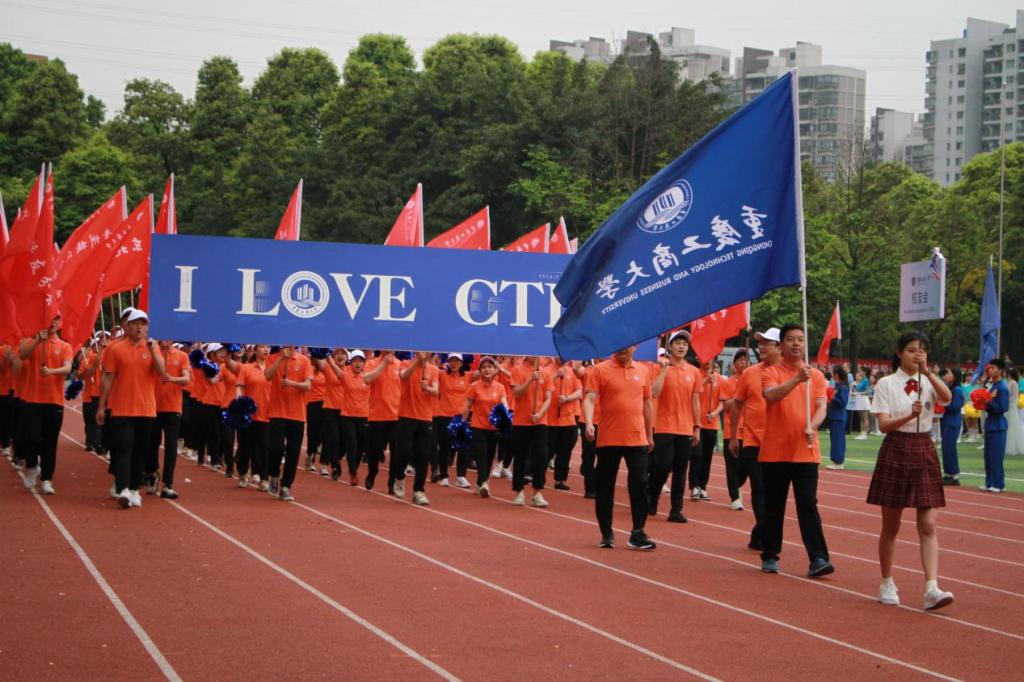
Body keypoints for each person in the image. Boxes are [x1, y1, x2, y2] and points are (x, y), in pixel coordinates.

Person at [868, 331, 955, 610]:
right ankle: (887, 581)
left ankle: (932, 587)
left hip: (924, 447)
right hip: (896, 447)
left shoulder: (928, 381)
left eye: (923, 350)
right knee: (891, 526)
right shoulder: (886, 384)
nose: (918, 354)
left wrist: (928, 373)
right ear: (899, 353)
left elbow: (947, 398)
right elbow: (884, 425)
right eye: (912, 350)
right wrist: (909, 415)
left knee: (928, 524)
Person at [759, 323, 831, 577]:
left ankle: (819, 557)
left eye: (800, 339)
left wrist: (813, 424)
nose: (796, 344)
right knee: (774, 505)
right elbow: (771, 396)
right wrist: (796, 379)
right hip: (775, 451)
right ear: (781, 345)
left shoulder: (816, 376)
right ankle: (770, 554)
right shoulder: (771, 372)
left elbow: (822, 406)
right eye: (791, 339)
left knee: (808, 504)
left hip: (806, 450)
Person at [582, 344, 656, 551]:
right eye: (619, 343)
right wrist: (589, 423)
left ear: (635, 346)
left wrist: (650, 434)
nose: (623, 348)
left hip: (637, 437)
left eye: (627, 344)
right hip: (609, 437)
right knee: (605, 486)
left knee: (640, 482)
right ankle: (607, 533)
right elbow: (589, 399)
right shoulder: (600, 370)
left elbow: (647, 403)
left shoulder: (643, 370)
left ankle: (638, 532)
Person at [96, 309, 167, 508]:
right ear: (127, 326)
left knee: (140, 452)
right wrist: (101, 406)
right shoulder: (115, 348)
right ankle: (123, 488)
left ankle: (135, 489)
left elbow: (162, 372)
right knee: (123, 448)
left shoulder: (153, 348)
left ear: (147, 328)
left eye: (143, 324)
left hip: (146, 409)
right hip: (121, 408)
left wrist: (152, 350)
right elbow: (108, 378)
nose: (139, 328)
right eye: (135, 323)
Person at [730, 331, 780, 551]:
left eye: (767, 343)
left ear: (780, 347)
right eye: (760, 343)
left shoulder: (788, 374)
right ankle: (764, 529)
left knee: (773, 492)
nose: (761, 346)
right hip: (752, 440)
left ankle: (760, 532)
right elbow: (737, 405)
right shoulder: (749, 373)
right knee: (759, 487)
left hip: (778, 443)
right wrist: (733, 437)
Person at [647, 330, 702, 522]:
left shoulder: (694, 372)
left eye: (685, 344)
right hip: (663, 426)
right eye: (677, 343)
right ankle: (652, 496)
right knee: (662, 466)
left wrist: (697, 426)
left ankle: (676, 510)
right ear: (670, 346)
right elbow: (654, 393)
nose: (681, 347)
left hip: (685, 427)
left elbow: (695, 400)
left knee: (680, 470)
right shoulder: (659, 366)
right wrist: (664, 371)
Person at [18, 316, 73, 494]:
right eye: (49, 319)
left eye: (56, 319)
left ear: (60, 323)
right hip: (32, 398)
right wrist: (37, 341)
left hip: (54, 401)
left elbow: (67, 368)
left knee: (50, 442)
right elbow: (22, 355)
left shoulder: (64, 346)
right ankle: (32, 466)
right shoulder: (31, 341)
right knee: (31, 436)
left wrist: (51, 371)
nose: (52, 322)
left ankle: (47, 479)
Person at [265, 345, 313, 501]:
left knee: (293, 452)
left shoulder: (304, 360)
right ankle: (273, 474)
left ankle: (286, 486)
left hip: (297, 414)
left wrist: (292, 384)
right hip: (277, 411)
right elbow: (267, 376)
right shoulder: (273, 358)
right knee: (276, 448)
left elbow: (308, 385)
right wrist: (281, 358)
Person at [393, 351, 439, 505]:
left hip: (425, 417)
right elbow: (403, 377)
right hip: (406, 415)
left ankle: (419, 491)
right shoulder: (405, 364)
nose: (424, 353)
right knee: (404, 452)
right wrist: (416, 362)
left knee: (423, 455)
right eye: (421, 351)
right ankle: (399, 478)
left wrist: (428, 388)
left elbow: (436, 391)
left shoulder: (433, 369)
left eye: (427, 351)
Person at [147, 340, 190, 498]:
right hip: (153, 406)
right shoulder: (152, 352)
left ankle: (168, 484)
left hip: (173, 408)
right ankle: (152, 473)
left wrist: (171, 378)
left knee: (171, 446)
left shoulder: (182, 356)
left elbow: (186, 379)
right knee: (152, 443)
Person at [509, 356, 553, 507]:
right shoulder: (517, 370)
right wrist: (529, 380)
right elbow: (517, 393)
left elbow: (548, 398)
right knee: (520, 457)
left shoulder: (546, 373)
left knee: (541, 456)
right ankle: (519, 491)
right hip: (521, 422)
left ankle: (537, 491)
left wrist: (540, 414)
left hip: (540, 422)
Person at [462, 356, 508, 497]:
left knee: (489, 457)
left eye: (490, 367)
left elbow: (504, 402)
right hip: (477, 426)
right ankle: (484, 483)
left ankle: (480, 483)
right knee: (481, 456)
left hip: (493, 428)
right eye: (484, 367)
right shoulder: (474, 386)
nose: (487, 370)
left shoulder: (500, 387)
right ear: (480, 370)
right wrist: (463, 423)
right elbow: (467, 406)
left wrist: (505, 413)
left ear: (495, 370)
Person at [718, 348, 750, 511]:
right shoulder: (728, 382)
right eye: (740, 360)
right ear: (734, 364)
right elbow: (725, 406)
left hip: (749, 431)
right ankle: (735, 497)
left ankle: (736, 486)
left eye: (745, 359)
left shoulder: (752, 380)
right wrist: (739, 398)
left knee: (746, 467)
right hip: (732, 430)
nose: (743, 362)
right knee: (732, 466)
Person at [435, 353, 472, 487]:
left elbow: (486, 371)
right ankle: (444, 476)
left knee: (463, 448)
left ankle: (461, 476)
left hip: (461, 417)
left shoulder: (468, 376)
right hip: (444, 415)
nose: (454, 363)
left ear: (461, 363)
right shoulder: (442, 375)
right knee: (444, 447)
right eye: (451, 360)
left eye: (456, 361)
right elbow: (430, 369)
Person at [547, 359, 581, 491]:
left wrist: (567, 398)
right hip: (550, 420)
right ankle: (536, 474)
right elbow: (541, 387)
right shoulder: (547, 370)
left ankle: (560, 479)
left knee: (565, 451)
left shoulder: (572, 372)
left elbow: (579, 391)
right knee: (547, 451)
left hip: (568, 419)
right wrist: (555, 375)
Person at [690, 359, 720, 501]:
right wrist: (704, 382)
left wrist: (715, 413)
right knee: (697, 455)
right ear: (698, 358)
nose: (708, 361)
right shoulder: (694, 374)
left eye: (711, 358)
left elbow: (723, 400)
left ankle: (703, 486)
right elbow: (690, 392)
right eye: (704, 358)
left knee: (707, 457)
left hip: (711, 424)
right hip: (696, 423)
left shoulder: (719, 378)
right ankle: (695, 486)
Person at [981, 358, 1009, 492]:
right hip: (990, 423)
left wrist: (988, 401)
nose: (990, 370)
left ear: (1000, 370)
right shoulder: (992, 385)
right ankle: (989, 482)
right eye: (989, 368)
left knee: (996, 456)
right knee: (988, 456)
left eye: (993, 368)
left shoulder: (1002, 387)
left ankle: (998, 484)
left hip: (998, 425)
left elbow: (1003, 407)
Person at [938, 368, 965, 485]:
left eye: (949, 373)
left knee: (950, 447)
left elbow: (955, 407)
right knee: (946, 447)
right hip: (947, 420)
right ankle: (948, 473)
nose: (947, 375)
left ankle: (954, 475)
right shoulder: (949, 388)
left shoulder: (957, 390)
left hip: (952, 421)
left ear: (955, 376)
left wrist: (942, 404)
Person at [825, 365, 849, 470]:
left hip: (839, 417)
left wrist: (832, 397)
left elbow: (843, 402)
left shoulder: (843, 387)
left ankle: (838, 461)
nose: (831, 374)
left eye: (833, 372)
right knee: (834, 439)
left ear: (837, 374)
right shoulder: (837, 386)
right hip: (834, 416)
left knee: (838, 440)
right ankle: (835, 460)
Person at [1005, 367, 1024, 456]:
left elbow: (1013, 396)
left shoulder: (1013, 383)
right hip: (1008, 406)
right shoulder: (1008, 383)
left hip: (1011, 407)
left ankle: (1011, 446)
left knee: (1012, 426)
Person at [850, 369, 870, 439]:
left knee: (865, 417)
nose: (859, 373)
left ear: (864, 372)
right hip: (859, 399)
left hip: (864, 399)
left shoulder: (866, 380)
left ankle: (865, 434)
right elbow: (857, 389)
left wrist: (857, 393)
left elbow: (867, 392)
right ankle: (862, 433)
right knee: (861, 418)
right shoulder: (861, 380)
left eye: (861, 371)